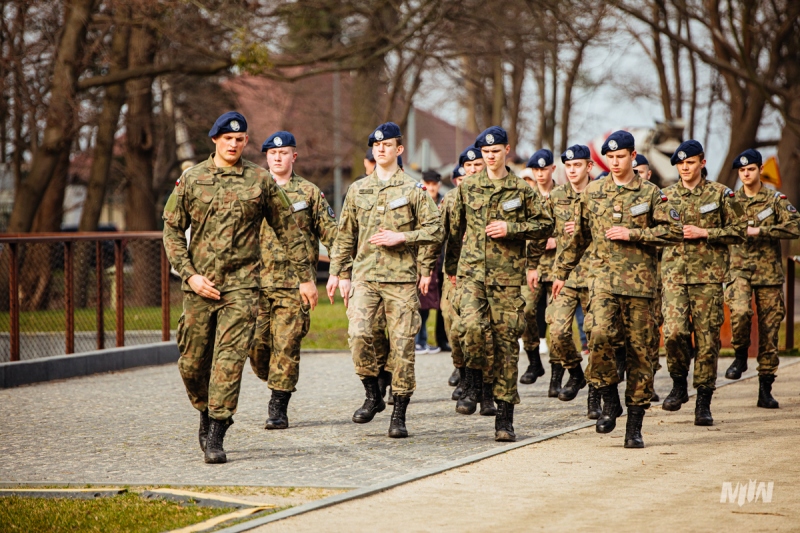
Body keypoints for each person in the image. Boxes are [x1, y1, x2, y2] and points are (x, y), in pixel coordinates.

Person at [162, 112, 316, 463]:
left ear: (246, 142)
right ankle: (205, 410)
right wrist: (188, 274)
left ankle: (217, 430)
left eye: (240, 139)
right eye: (228, 139)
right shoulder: (192, 178)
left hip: (243, 288)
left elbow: (289, 231)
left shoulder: (260, 181)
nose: (234, 144)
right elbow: (171, 230)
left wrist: (305, 278)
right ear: (215, 140)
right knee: (192, 363)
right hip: (199, 287)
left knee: (229, 363)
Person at [552, 130, 682, 449]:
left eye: (620, 156)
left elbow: (674, 231)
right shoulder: (592, 193)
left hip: (641, 288)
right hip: (603, 284)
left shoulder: (651, 194)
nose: (614, 162)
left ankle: (634, 426)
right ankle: (609, 401)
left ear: (632, 155)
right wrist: (560, 272)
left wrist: (634, 235)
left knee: (641, 354)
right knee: (597, 338)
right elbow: (578, 237)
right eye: (609, 157)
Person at [327, 122, 442, 439]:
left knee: (403, 347)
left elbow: (436, 230)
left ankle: (399, 413)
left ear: (399, 150)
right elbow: (345, 236)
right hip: (365, 278)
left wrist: (402, 236)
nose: (381, 149)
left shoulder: (413, 190)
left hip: (400, 281)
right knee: (359, 334)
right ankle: (372, 394)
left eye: (388, 145)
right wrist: (339, 274)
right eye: (376, 145)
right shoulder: (357, 189)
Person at [446, 126, 554, 441]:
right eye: (485, 152)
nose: (490, 157)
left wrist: (512, 228)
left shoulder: (521, 189)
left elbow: (545, 224)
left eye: (496, 151)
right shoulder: (469, 187)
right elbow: (455, 230)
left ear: (506, 150)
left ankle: (504, 419)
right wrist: (451, 267)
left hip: (506, 279)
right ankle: (473, 379)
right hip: (471, 274)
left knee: (507, 346)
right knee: (470, 328)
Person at [249, 131, 338, 430]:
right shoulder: (253, 190)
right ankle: (274, 377)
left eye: (283, 153)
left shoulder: (309, 193)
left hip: (294, 285)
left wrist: (340, 270)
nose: (277, 157)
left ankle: (278, 407)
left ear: (293, 156)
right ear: (266, 157)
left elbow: (332, 235)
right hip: (255, 285)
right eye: (272, 154)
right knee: (256, 346)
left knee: (286, 346)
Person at [660, 140, 745, 426]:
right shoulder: (665, 196)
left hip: (707, 278)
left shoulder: (721, 194)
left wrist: (705, 232)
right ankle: (678, 381)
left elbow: (740, 230)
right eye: (680, 163)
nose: (685, 167)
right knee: (673, 333)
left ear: (702, 163)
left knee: (708, 340)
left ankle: (704, 401)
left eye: (690, 162)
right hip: (673, 276)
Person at [724, 149, 800, 408]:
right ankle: (741, 354)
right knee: (741, 312)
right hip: (739, 270)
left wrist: (763, 231)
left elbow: (795, 226)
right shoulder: (731, 201)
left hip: (768, 273)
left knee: (769, 329)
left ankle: (765, 388)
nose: (746, 174)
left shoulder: (775, 199)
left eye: (751, 169)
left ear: (759, 170)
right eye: (742, 171)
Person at [545, 145, 595, 413]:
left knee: (598, 337)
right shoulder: (557, 196)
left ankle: (596, 396)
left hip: (597, 276)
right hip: (564, 276)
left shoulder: (601, 194)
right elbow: (543, 229)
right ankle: (575, 372)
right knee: (557, 331)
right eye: (569, 165)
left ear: (590, 167)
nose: (573, 170)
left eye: (578, 165)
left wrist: (585, 227)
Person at [443, 147, 489, 410]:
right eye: (468, 166)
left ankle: (484, 386)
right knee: (455, 324)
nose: (472, 169)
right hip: (456, 272)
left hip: (488, 272)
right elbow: (440, 235)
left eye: (477, 164)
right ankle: (462, 371)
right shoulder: (451, 199)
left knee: (484, 330)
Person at [520, 149, 558, 392]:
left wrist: (558, 239)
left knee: (555, 321)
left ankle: (557, 373)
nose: (540, 174)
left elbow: (579, 229)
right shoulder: (525, 198)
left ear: (553, 169)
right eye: (536, 170)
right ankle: (534, 361)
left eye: (544, 169)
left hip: (558, 267)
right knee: (527, 311)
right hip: (532, 266)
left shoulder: (564, 195)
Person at [633, 154, 662, 401]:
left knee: (651, 332)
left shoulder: (655, 197)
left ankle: (648, 381)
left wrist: (635, 235)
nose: (636, 174)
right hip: (625, 276)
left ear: (648, 173)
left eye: (640, 171)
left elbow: (669, 233)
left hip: (656, 275)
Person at [415, 170, 446, 355]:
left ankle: (424, 340)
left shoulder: (444, 202)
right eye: (428, 183)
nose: (431, 187)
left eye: (434, 183)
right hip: (421, 260)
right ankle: (418, 341)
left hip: (439, 260)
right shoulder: (417, 201)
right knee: (420, 302)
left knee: (429, 304)